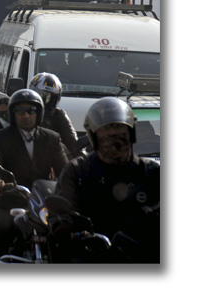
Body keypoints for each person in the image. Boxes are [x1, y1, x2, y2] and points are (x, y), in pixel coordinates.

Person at [55, 97, 160, 262]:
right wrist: (65, 229)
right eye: (106, 131)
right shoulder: (78, 171)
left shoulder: (152, 172)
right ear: (93, 136)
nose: (113, 137)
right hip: (90, 257)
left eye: (119, 129)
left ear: (131, 133)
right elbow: (62, 212)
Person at [0, 88, 68, 189]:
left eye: (31, 111)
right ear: (13, 114)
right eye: (20, 111)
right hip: (9, 195)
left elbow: (65, 170)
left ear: (39, 113)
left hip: (44, 196)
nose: (26, 116)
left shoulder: (52, 138)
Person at [30, 71, 78, 156]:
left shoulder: (59, 115)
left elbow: (74, 144)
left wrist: (84, 162)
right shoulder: (21, 111)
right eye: (42, 95)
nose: (45, 102)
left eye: (50, 98)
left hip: (50, 162)